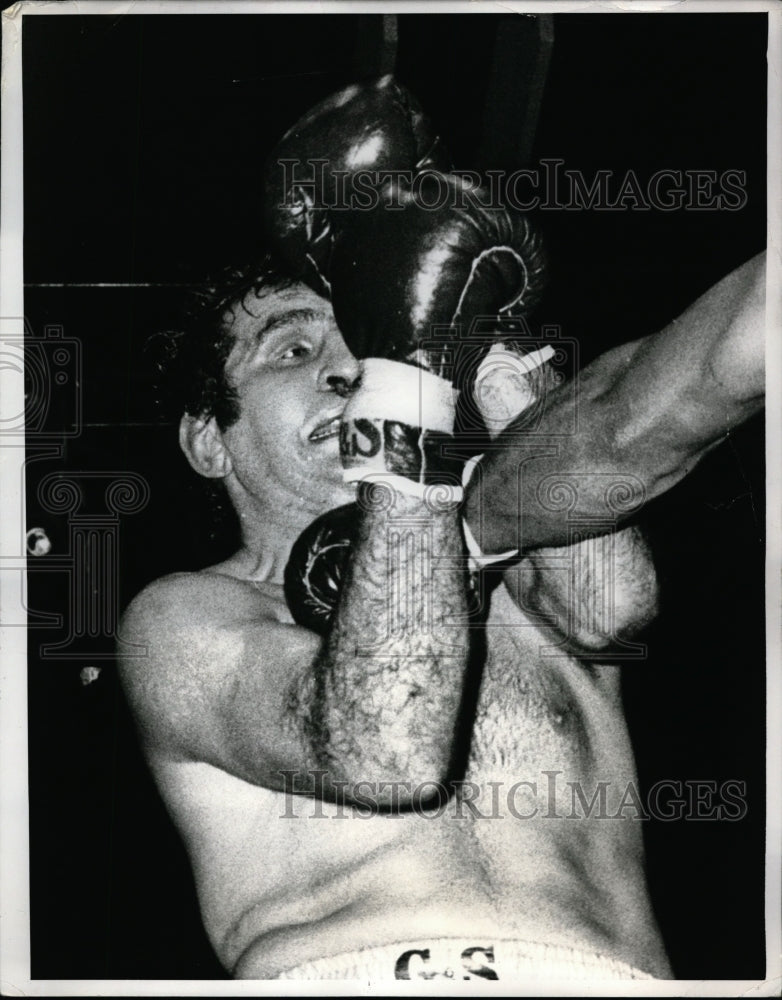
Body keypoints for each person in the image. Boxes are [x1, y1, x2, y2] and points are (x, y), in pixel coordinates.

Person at [118, 224, 764, 980]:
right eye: (293, 350)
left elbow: (610, 604)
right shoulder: (184, 617)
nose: (350, 368)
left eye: (368, 341)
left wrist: (493, 355)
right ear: (209, 440)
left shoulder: (517, 568)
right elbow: (386, 749)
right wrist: (407, 386)